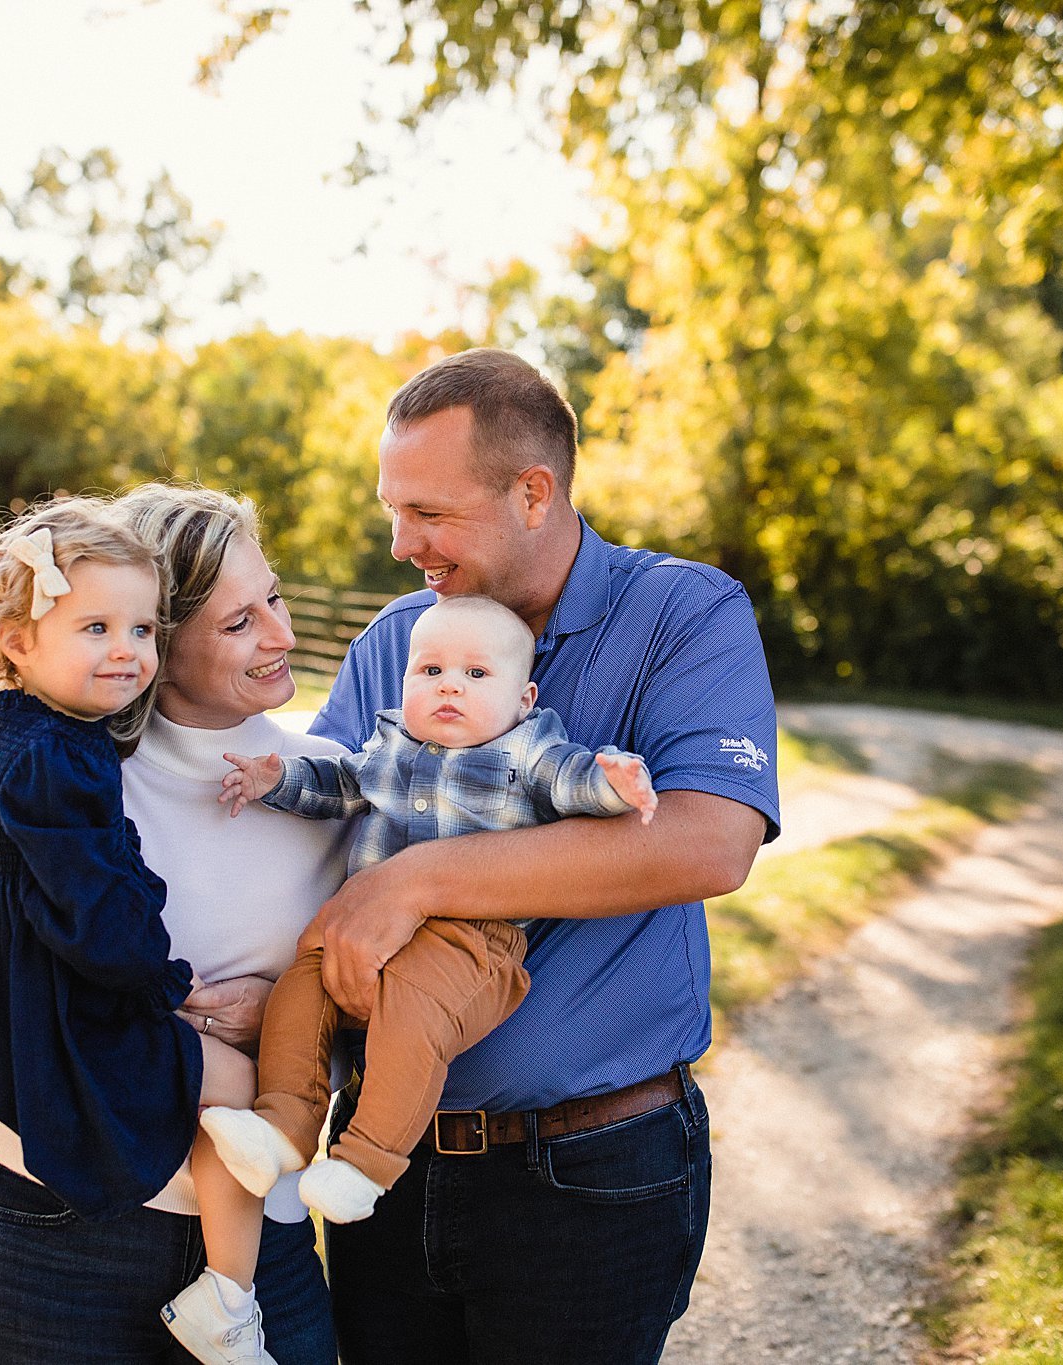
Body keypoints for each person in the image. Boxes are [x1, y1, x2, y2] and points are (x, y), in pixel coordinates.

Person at [305, 348, 782, 1364]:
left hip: (591, 1173)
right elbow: (309, 831)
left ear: (534, 492)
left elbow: (709, 839)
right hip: (380, 1169)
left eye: (429, 514)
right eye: (394, 511)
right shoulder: (392, 641)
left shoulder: (684, 614)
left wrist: (418, 879)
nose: (401, 544)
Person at [0, 486, 349, 1365]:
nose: (280, 634)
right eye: (239, 621)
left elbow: (380, 1026)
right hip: (50, 1242)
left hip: (258, 1254)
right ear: (163, 631)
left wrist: (280, 1024)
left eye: (272, 597)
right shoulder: (57, 772)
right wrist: (80, 1125)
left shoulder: (331, 786)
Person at [200, 594, 658, 1224]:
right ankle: (283, 1124)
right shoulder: (391, 744)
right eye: (430, 671)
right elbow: (341, 786)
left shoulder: (526, 750)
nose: (450, 688)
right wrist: (275, 781)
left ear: (523, 700)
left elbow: (570, 781)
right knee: (300, 990)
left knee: (412, 1015)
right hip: (364, 927)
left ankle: (366, 1162)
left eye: (476, 675)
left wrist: (614, 784)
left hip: (467, 940)